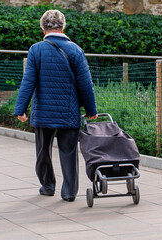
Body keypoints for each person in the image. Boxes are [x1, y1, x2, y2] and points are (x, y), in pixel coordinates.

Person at [14, 9, 98, 202]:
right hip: (68, 112)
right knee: (68, 152)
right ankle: (69, 193)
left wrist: (20, 109)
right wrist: (91, 110)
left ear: (43, 28)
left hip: (43, 112)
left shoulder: (36, 49)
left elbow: (28, 81)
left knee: (42, 151)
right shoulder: (76, 50)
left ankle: (47, 186)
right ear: (63, 26)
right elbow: (86, 84)